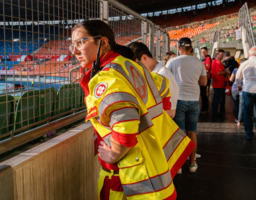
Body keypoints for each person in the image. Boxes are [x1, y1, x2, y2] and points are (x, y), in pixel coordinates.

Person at [71, 20, 195, 199]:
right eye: (72, 45)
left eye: (80, 42)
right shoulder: (133, 67)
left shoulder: (106, 76)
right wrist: (163, 113)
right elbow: (164, 85)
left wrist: (114, 153)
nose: (75, 51)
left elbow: (125, 122)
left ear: (103, 43)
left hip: (129, 180)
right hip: (157, 169)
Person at [167, 37, 207, 173]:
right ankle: (192, 163)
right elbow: (203, 83)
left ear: (178, 48)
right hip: (194, 100)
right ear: (191, 48)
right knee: (192, 132)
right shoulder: (199, 62)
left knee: (179, 133)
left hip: (178, 100)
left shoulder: (172, 62)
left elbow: (164, 81)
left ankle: (178, 165)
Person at [128, 42, 179, 118]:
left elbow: (170, 113)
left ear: (144, 58)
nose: (134, 70)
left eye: (135, 65)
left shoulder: (164, 75)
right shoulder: (152, 73)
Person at [236, 46, 256, 141]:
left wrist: (239, 85)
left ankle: (249, 134)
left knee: (247, 112)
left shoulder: (245, 63)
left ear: (249, 54)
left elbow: (237, 76)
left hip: (247, 89)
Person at [211, 49, 229, 119]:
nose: (222, 56)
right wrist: (226, 72)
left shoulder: (215, 61)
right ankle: (215, 114)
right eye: (221, 54)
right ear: (217, 54)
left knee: (216, 99)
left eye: (223, 54)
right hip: (219, 84)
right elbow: (219, 72)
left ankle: (214, 113)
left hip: (216, 84)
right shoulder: (218, 62)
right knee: (217, 99)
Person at [200, 47, 212, 114]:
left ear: (207, 51)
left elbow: (207, 67)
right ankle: (205, 108)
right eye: (202, 52)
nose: (203, 53)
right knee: (203, 94)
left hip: (206, 77)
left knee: (203, 94)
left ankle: (205, 108)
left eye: (204, 51)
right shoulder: (204, 59)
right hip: (205, 77)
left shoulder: (207, 58)